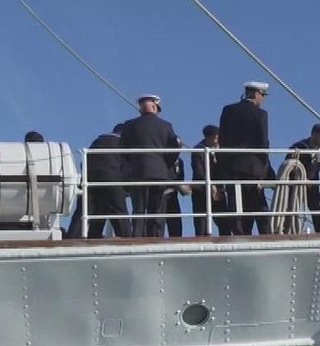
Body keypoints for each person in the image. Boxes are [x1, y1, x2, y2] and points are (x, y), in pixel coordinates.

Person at [118, 94, 181, 238]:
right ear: (155, 106)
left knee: (139, 208)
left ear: (140, 108)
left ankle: (137, 236)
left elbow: (122, 149)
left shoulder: (129, 125)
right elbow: (174, 149)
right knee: (156, 208)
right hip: (159, 172)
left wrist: (132, 162)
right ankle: (155, 236)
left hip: (137, 171)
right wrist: (165, 164)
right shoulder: (166, 125)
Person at [216, 81, 271, 235]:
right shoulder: (261, 114)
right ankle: (265, 234)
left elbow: (222, 139)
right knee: (257, 203)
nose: (263, 99)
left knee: (235, 203)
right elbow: (263, 142)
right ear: (255, 94)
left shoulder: (228, 110)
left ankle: (239, 233)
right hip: (253, 167)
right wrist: (263, 167)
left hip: (231, 166)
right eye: (263, 95)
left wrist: (224, 163)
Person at [67, 123, 133, 239]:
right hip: (112, 177)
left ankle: (72, 238)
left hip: (90, 178)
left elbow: (84, 162)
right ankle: (126, 240)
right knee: (119, 211)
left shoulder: (97, 141)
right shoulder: (123, 142)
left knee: (83, 211)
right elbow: (127, 165)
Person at [288, 123, 320, 233]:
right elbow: (287, 166)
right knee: (291, 207)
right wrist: (301, 179)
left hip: (312, 187)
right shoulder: (298, 147)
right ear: (313, 135)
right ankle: (288, 229)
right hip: (295, 185)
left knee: (318, 207)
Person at [189, 124, 220, 236]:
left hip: (218, 190)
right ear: (208, 137)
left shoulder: (220, 149)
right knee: (201, 223)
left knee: (223, 221)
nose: (217, 140)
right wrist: (210, 185)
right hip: (201, 190)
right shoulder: (198, 150)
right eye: (215, 137)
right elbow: (199, 171)